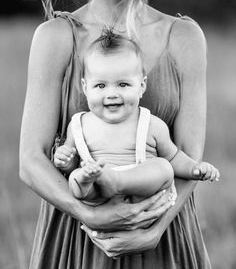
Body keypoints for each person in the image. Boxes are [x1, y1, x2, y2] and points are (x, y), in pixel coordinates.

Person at [20, 0, 220, 269]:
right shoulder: (55, 37)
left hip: (163, 240)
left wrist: (152, 230)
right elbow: (30, 161)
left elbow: (187, 158)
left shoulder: (185, 38)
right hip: (77, 243)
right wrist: (90, 216)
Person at [53, 30, 220, 205]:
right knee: (75, 177)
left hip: (140, 189)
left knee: (164, 167)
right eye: (100, 85)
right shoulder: (79, 125)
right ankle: (91, 182)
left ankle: (116, 181)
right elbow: (72, 161)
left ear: (141, 86)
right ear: (85, 88)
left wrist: (195, 168)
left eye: (123, 84)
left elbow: (173, 157)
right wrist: (66, 160)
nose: (111, 94)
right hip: (96, 190)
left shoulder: (151, 125)